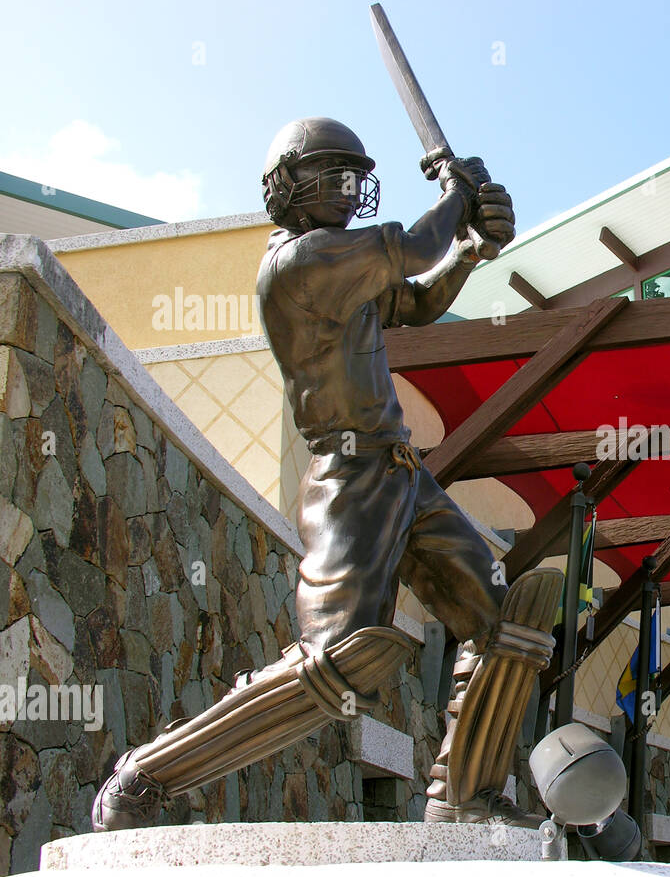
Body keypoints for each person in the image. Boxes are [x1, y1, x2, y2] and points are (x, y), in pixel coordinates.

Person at [93, 118, 561, 832]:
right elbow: (410, 249)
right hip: (348, 483)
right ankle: (149, 775)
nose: (347, 192)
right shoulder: (301, 262)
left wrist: (471, 248)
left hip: (402, 473)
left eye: (354, 178)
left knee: (502, 627)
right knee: (329, 665)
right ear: (288, 186)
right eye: (331, 177)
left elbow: (420, 299)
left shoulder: (350, 267)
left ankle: (466, 797)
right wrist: (456, 200)